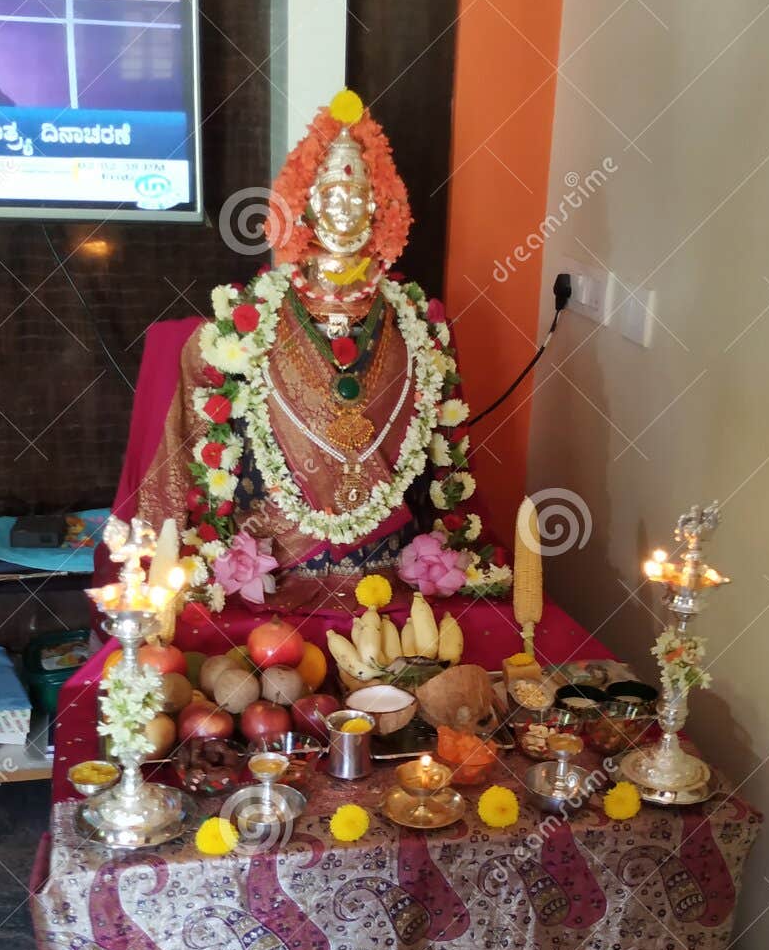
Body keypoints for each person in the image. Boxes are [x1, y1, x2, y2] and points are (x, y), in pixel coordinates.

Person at [128, 90, 509, 614]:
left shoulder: (416, 321)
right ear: (305, 203)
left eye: (357, 196)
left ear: (379, 205)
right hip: (278, 570)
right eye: (331, 194)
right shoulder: (252, 319)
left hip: (389, 567)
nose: (343, 209)